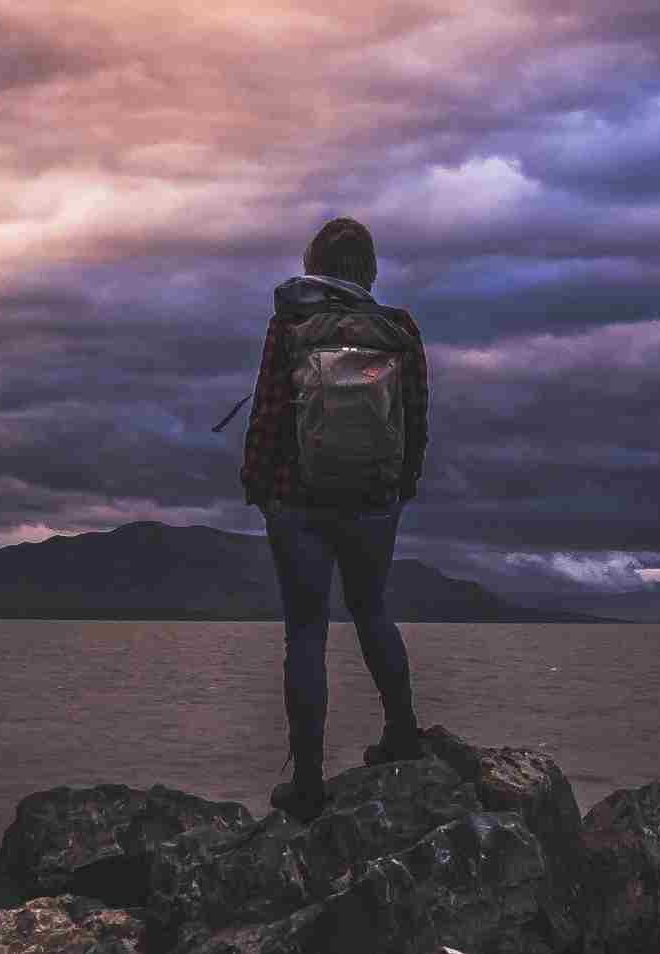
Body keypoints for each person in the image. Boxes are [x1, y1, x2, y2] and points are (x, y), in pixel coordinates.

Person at [240, 216, 429, 821]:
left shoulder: (289, 323)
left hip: (298, 499)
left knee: (305, 631)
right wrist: (402, 487)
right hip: (374, 501)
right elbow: (416, 416)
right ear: (368, 269)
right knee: (372, 611)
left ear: (313, 262)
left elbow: (269, 412)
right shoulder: (398, 329)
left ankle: (309, 783)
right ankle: (403, 733)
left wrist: (258, 484)